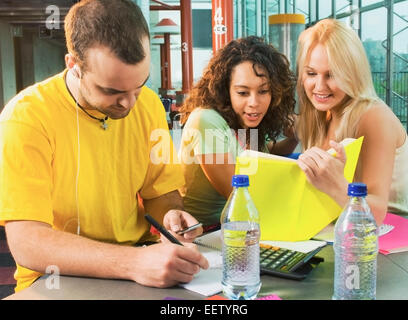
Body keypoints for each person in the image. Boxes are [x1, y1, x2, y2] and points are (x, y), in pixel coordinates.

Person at [0, 0, 208, 293]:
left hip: (139, 261)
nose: (129, 103)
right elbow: (28, 243)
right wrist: (133, 263)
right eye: (112, 91)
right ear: (73, 65)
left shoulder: (147, 104)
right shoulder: (26, 118)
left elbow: (160, 193)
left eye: (139, 85)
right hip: (57, 280)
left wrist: (171, 217)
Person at [295, 19, 408, 225]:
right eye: (311, 73)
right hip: (345, 227)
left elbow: (376, 215)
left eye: (332, 75)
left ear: (353, 74)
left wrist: (336, 182)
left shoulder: (374, 116)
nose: (319, 86)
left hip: (393, 237)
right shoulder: (322, 114)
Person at [178, 36, 297, 227]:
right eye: (243, 93)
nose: (254, 103)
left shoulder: (243, 121)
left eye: (263, 91)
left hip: (238, 225)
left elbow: (264, 152)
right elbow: (239, 193)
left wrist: (293, 138)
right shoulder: (206, 120)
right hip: (201, 234)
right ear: (225, 90)